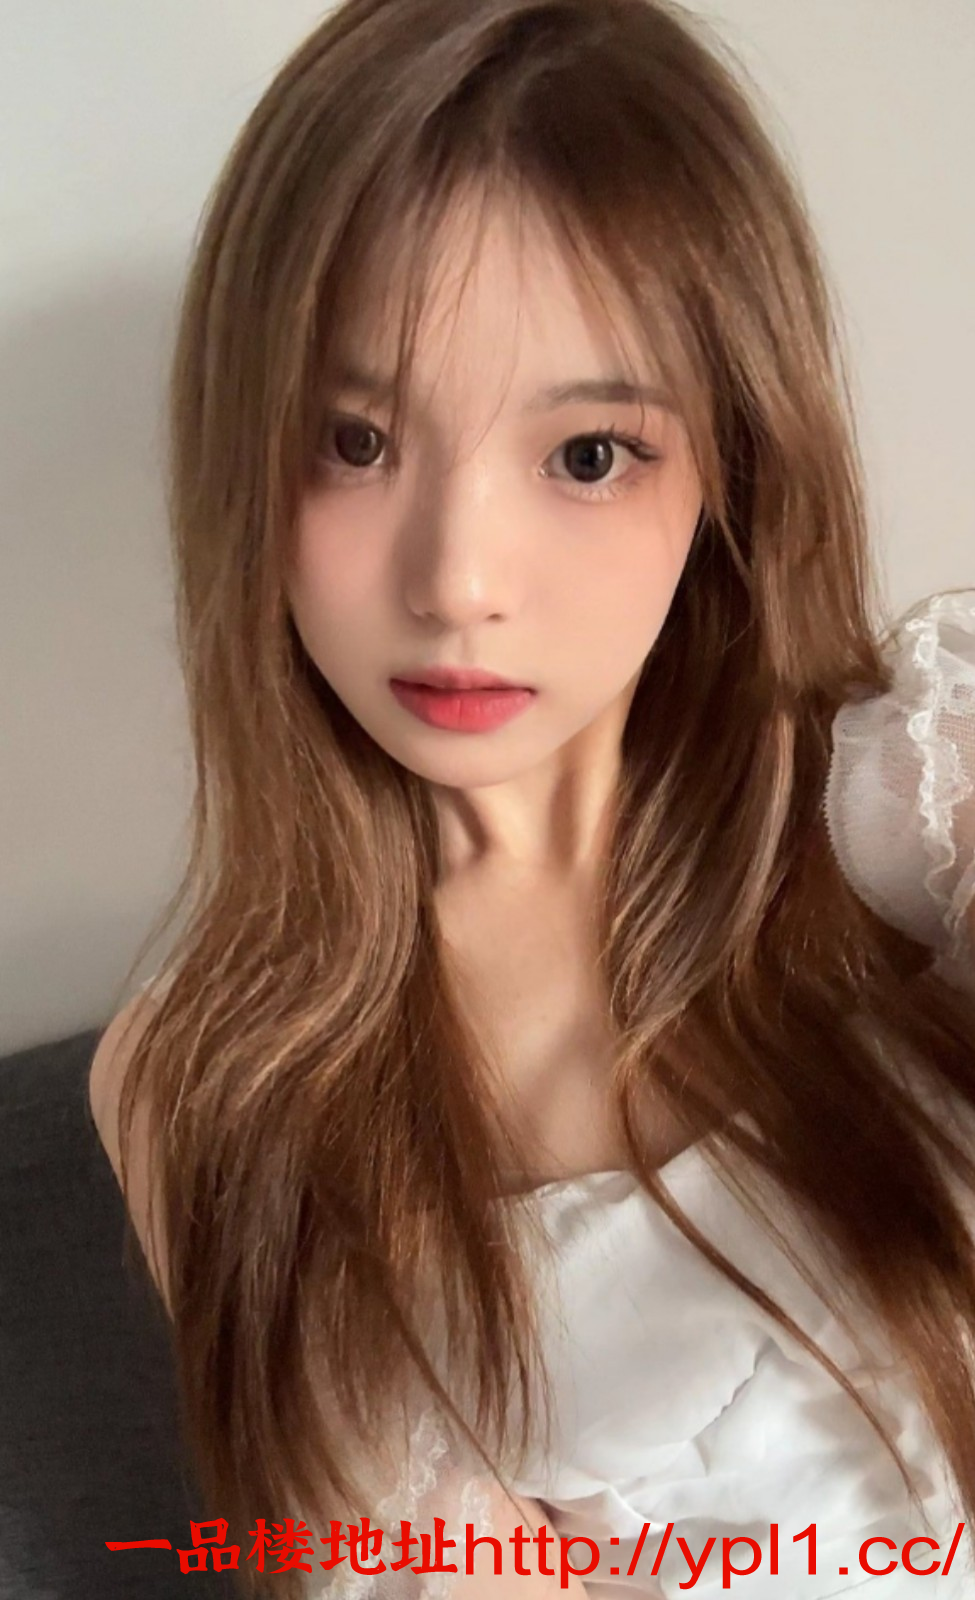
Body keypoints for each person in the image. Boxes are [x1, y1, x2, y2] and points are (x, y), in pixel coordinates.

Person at [88, 0, 975, 1595]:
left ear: (729, 463)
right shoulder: (209, 1087)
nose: (457, 581)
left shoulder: (930, 791)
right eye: (354, 440)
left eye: (585, 455)